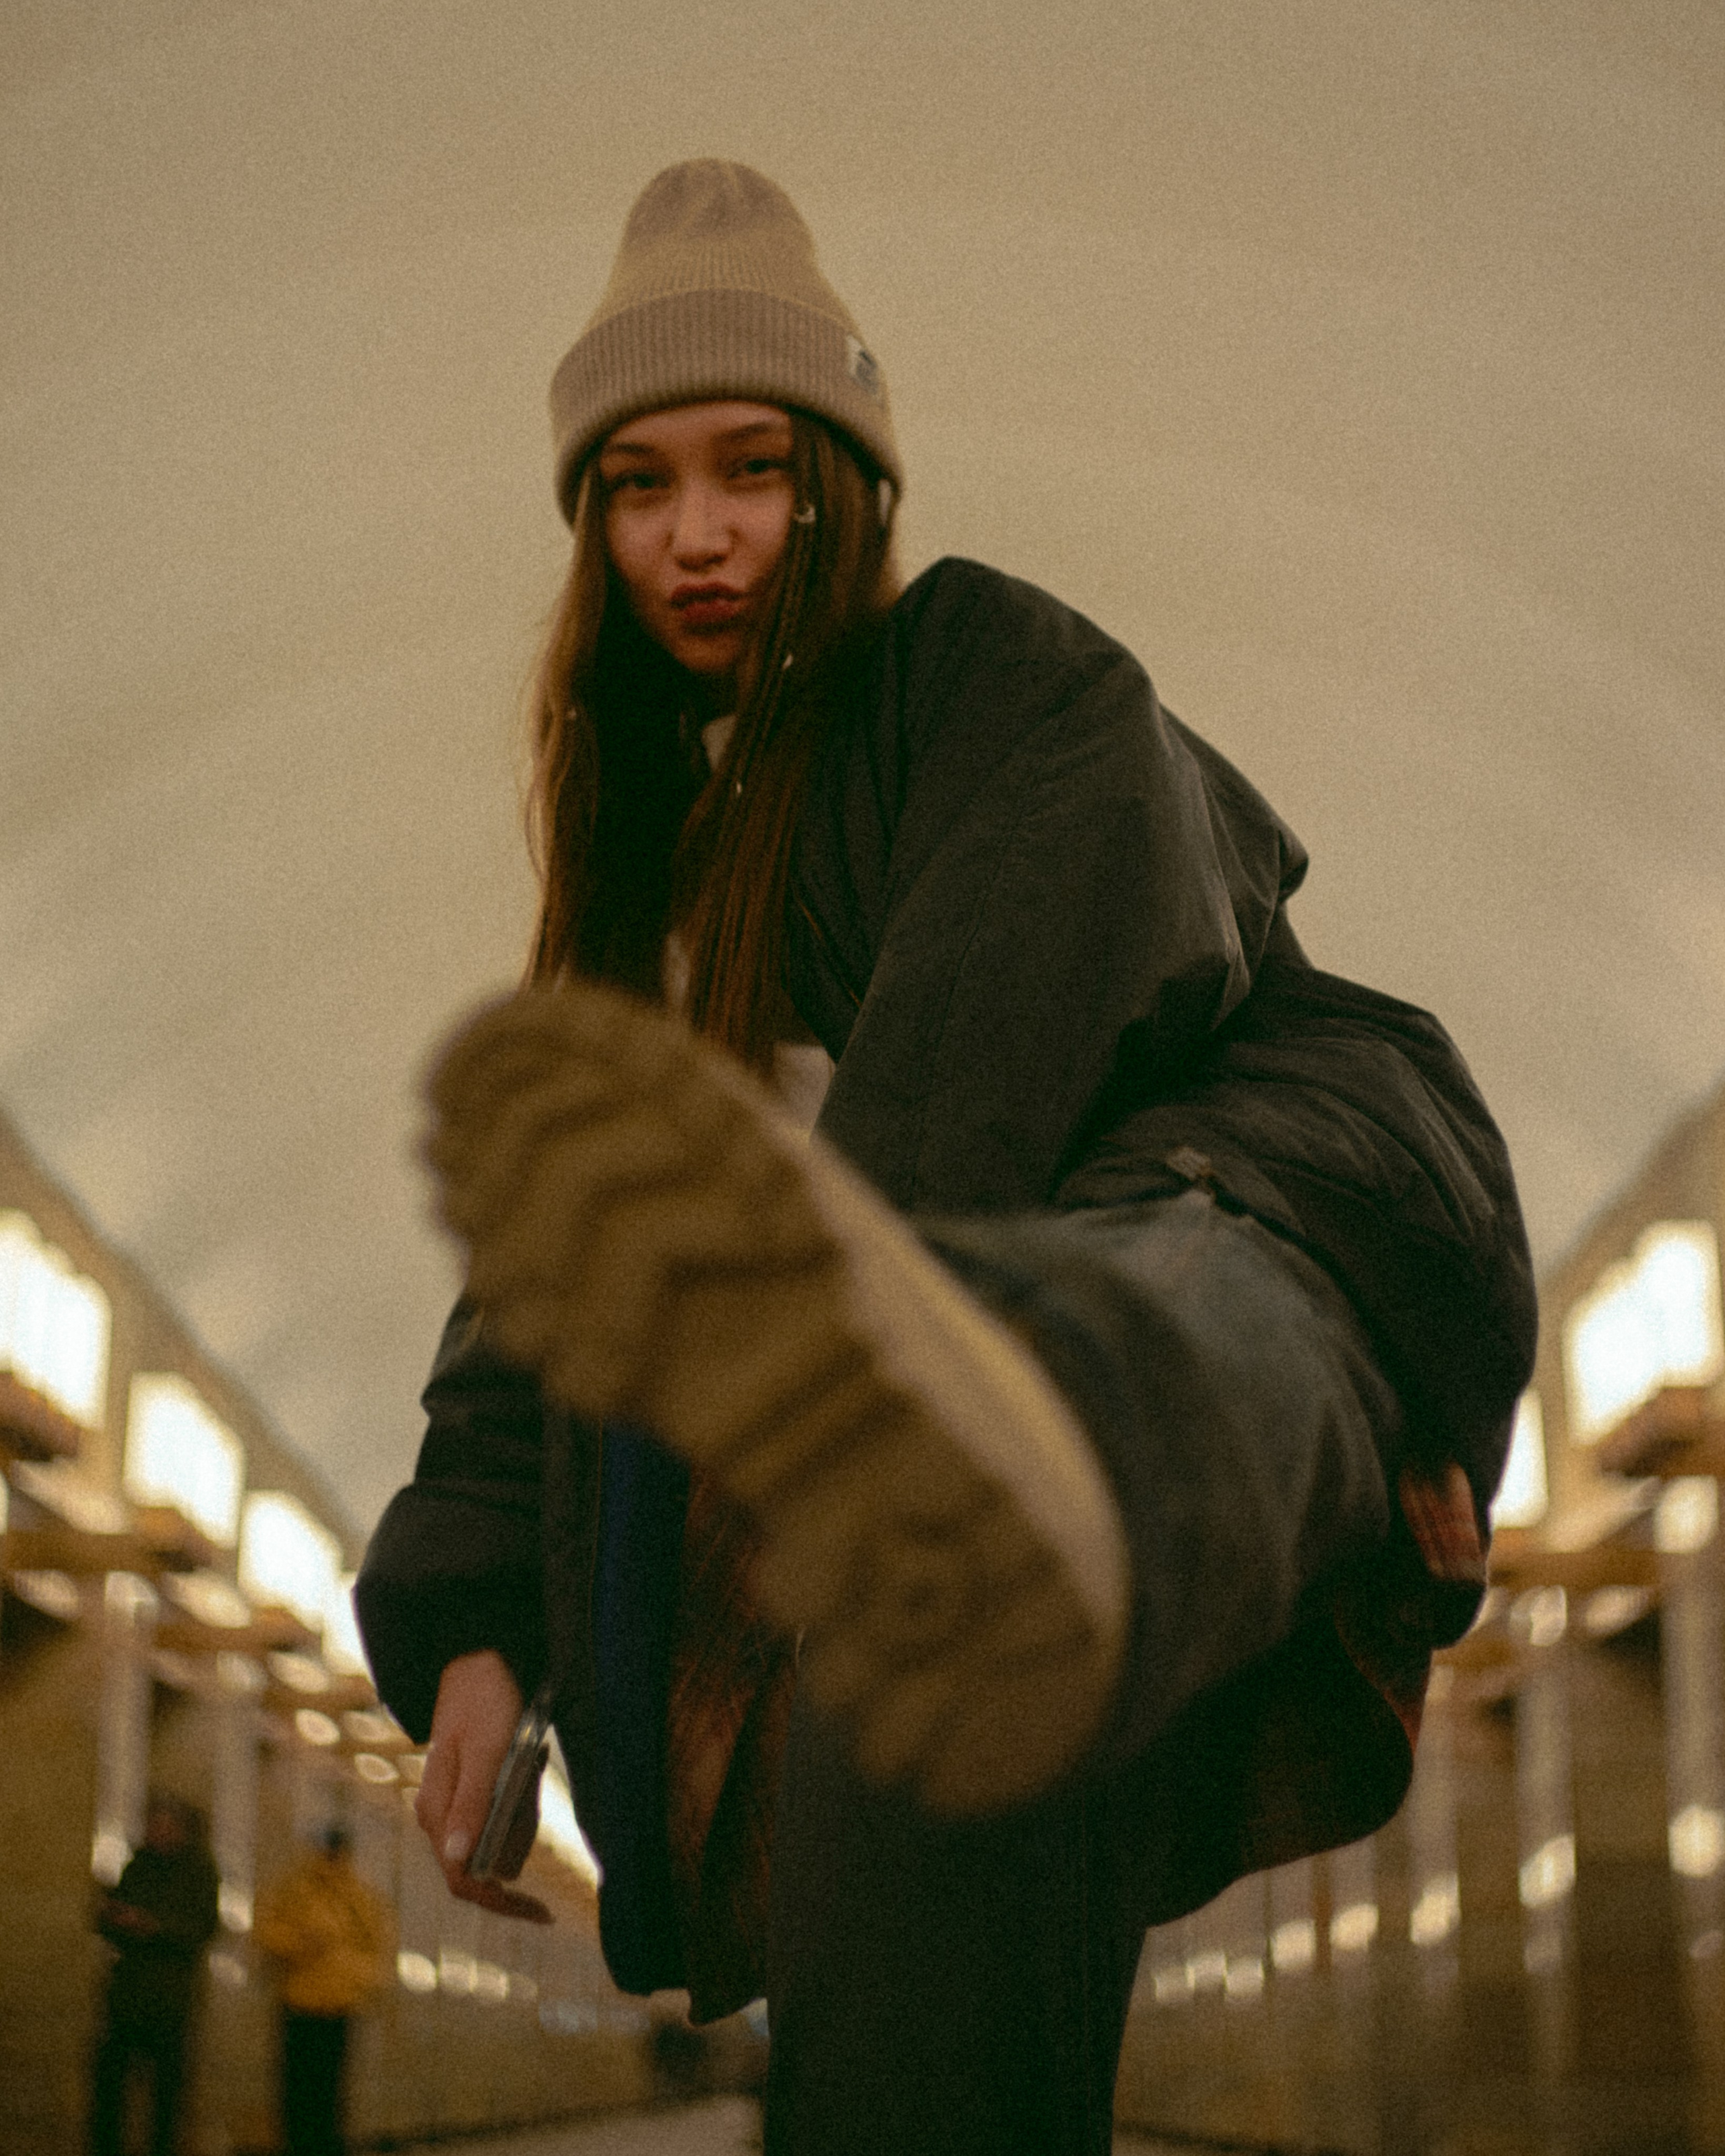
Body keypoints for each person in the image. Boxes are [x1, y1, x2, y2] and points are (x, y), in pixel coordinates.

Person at [356, 159, 1536, 2153]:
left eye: (754, 468)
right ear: (592, 524)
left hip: (1245, 1214)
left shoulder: (982, 669)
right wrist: (481, 1623)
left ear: (848, 483)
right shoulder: (641, 880)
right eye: (638, 485)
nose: (698, 533)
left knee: (1032, 1447)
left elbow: (1042, 993)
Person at [88, 1794, 220, 2156]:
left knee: (166, 2093)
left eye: (163, 1825)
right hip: (127, 1993)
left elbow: (201, 1928)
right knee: (110, 2084)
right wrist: (113, 1916)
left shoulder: (199, 1872)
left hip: (170, 1998)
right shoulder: (138, 1865)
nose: (155, 1831)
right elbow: (108, 1915)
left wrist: (153, 1926)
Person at [253, 1825, 395, 2156]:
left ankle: (305, 2147)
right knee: (322, 2091)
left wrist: (312, 1952)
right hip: (320, 2003)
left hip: (311, 2001)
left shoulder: (303, 1890)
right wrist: (307, 1946)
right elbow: (377, 1955)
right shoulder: (357, 1896)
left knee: (303, 2090)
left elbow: (269, 1932)